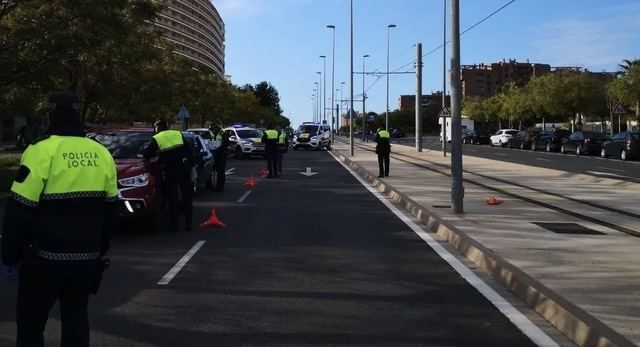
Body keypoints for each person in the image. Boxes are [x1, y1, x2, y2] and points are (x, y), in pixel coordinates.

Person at [1, 91, 118, 347]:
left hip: (43, 259)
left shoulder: (40, 151)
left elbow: (19, 210)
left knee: (31, 324)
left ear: (50, 116)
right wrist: (99, 251)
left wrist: (9, 256)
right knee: (76, 322)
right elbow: (111, 213)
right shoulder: (102, 154)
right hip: (85, 259)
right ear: (79, 117)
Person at [144, 119, 194, 232]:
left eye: (155, 127)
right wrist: (190, 164)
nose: (154, 130)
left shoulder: (157, 138)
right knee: (187, 196)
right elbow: (189, 150)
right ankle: (188, 224)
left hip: (170, 170)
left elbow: (147, 154)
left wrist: (156, 159)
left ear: (159, 127)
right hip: (183, 168)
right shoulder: (177, 133)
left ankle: (174, 224)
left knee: (172, 198)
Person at [210, 125, 229, 192]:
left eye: (213, 129)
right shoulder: (213, 134)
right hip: (215, 155)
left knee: (221, 172)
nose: (212, 131)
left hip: (222, 155)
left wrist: (217, 150)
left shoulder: (223, 134)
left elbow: (226, 144)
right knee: (216, 171)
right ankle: (216, 186)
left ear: (216, 129)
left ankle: (220, 186)